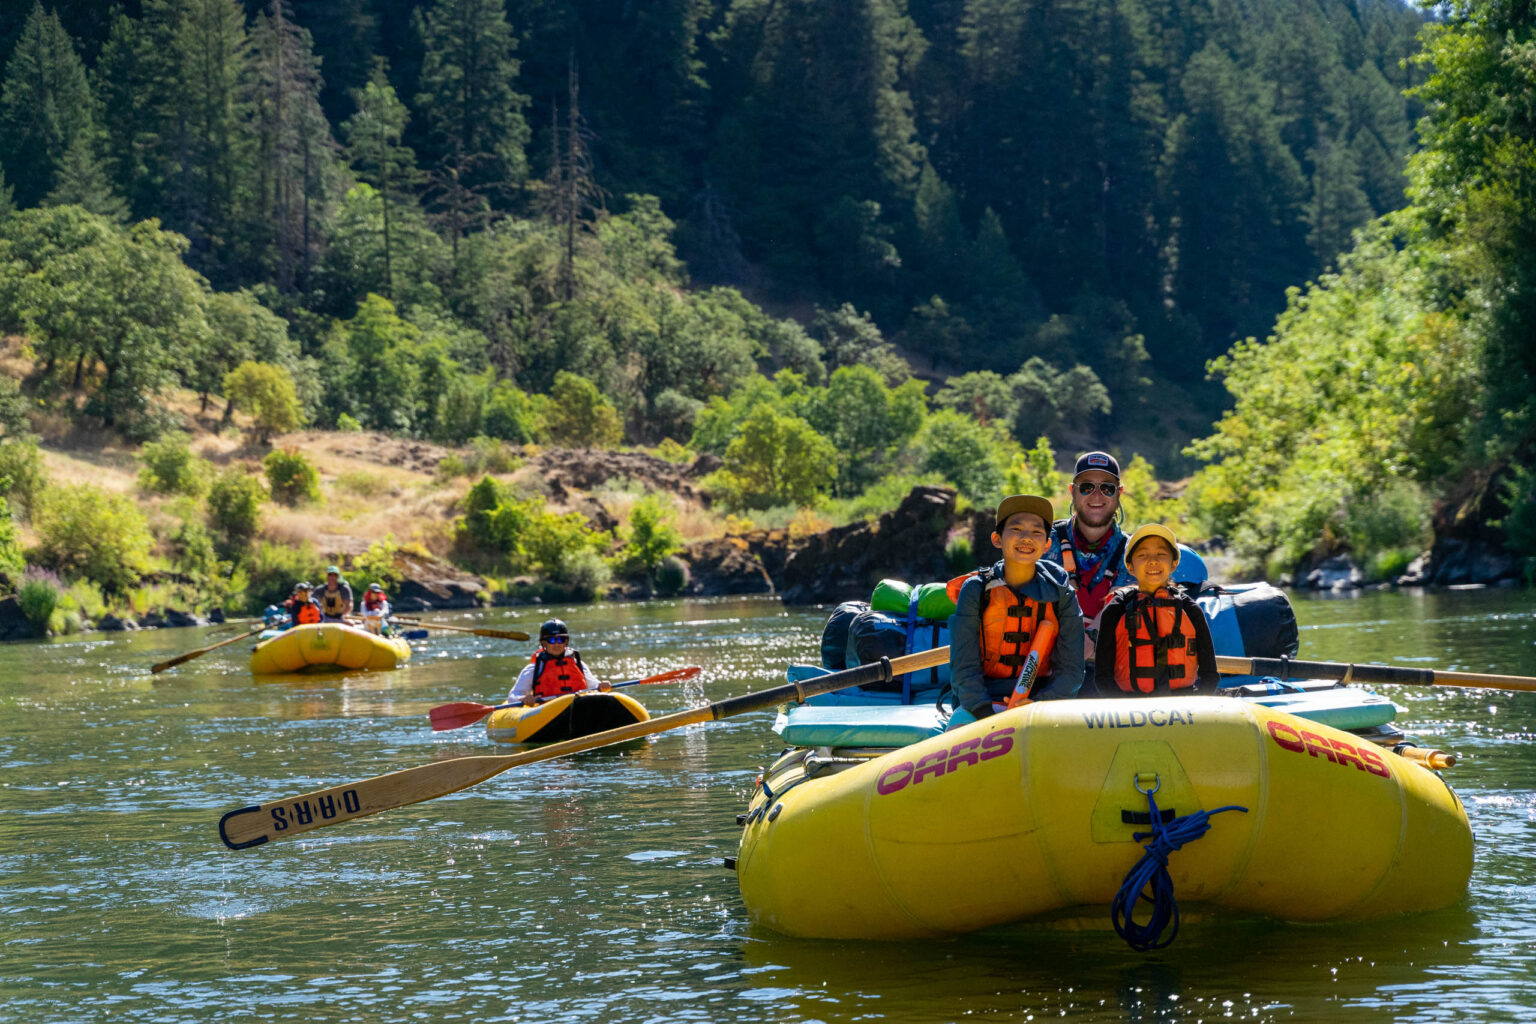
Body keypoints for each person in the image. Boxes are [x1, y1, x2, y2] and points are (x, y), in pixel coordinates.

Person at [944, 494, 1085, 730]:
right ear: (997, 539)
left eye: (1036, 532)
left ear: (1047, 544)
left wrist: (1038, 705)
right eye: (1016, 529)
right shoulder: (976, 590)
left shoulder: (1063, 594)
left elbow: (1071, 671)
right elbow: (963, 669)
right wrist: (985, 713)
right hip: (980, 704)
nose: (1026, 538)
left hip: (1041, 703)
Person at [1094, 524, 1219, 697]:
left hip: (1183, 707)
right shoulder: (1116, 610)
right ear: (1130, 566)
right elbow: (1103, 677)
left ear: (1174, 563)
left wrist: (1196, 705)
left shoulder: (1190, 610)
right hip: (1129, 708)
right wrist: (1124, 709)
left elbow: (1210, 674)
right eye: (1142, 555)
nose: (1153, 560)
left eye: (1161, 554)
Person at [507, 619, 612, 707]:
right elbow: (513, 696)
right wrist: (523, 699)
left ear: (566, 641)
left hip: (579, 706)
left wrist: (601, 685)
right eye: (552, 640)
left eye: (561, 639)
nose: (557, 644)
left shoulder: (578, 664)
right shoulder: (533, 669)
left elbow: (593, 685)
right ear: (543, 643)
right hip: (548, 711)